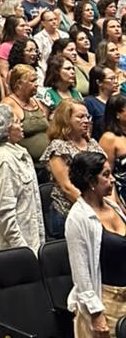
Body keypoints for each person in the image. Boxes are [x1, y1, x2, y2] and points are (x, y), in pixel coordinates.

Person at [66, 152, 126, 338]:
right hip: (104, 301)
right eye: (105, 174)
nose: (111, 178)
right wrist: (96, 315)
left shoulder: (116, 204)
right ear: (90, 182)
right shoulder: (78, 218)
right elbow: (81, 275)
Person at [0, 102, 45, 252]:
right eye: (17, 122)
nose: (22, 125)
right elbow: (4, 213)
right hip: (13, 250)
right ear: (6, 130)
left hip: (31, 242)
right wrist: (23, 250)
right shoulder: (3, 159)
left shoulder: (19, 151)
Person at [42, 99, 105, 237]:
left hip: (97, 207)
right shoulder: (58, 147)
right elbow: (67, 187)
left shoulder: (92, 143)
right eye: (80, 117)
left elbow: (105, 177)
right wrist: (93, 210)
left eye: (87, 116)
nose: (86, 120)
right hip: (69, 212)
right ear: (66, 120)